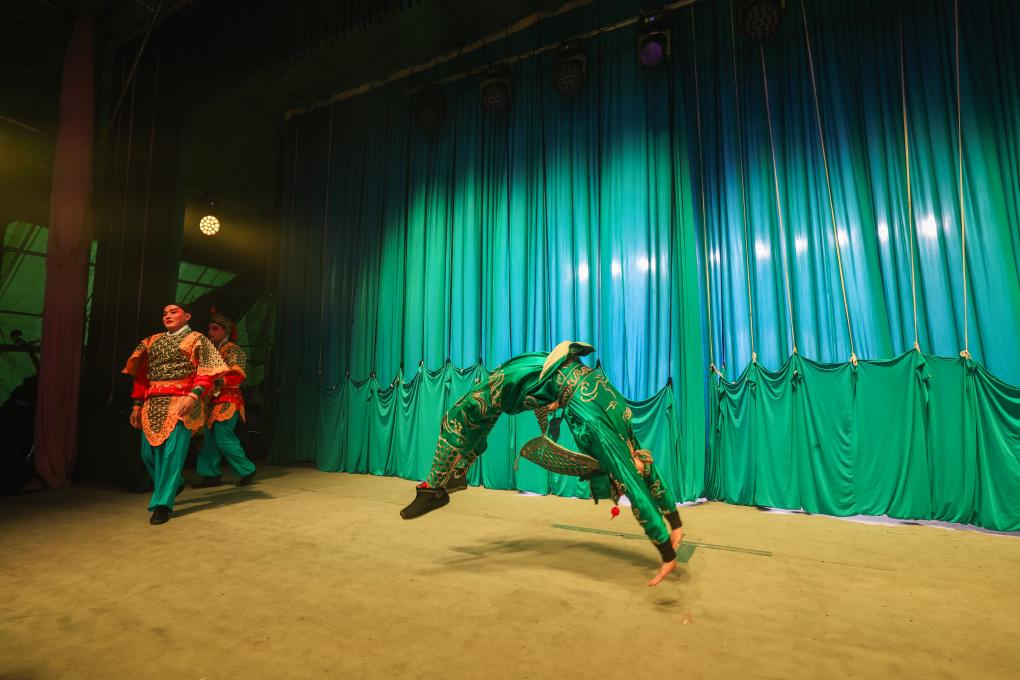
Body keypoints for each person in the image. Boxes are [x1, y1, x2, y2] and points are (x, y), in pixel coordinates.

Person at [400, 341, 684, 586]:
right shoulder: (608, 437)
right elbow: (637, 487)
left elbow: (647, 472)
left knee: (483, 414)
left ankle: (452, 477)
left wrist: (675, 522)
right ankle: (434, 489)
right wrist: (667, 552)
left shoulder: (624, 423)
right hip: (530, 377)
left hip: (543, 374)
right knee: (459, 417)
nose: (622, 486)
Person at [123, 303, 231, 525]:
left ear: (187, 316)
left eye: (174, 312)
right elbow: (142, 375)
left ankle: (162, 504)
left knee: (172, 454)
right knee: (148, 454)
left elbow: (206, 372)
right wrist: (136, 404)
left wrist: (193, 396)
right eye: (165, 313)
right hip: (153, 403)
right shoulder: (151, 341)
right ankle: (177, 483)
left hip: (181, 402)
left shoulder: (197, 339)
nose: (168, 316)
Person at [194, 308, 256, 488]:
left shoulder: (233, 350)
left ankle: (247, 469)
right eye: (209, 329)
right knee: (210, 439)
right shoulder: (212, 351)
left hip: (229, 398)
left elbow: (238, 374)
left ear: (225, 330)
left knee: (223, 436)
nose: (210, 332)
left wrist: (214, 381)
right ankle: (210, 475)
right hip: (213, 400)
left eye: (215, 329)